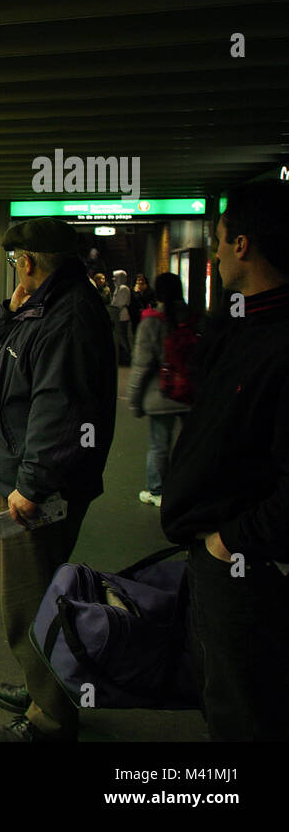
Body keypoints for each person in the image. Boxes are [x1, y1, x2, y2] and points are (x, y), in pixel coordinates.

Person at [0, 218, 117, 742]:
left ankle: (51, 715)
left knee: (30, 603)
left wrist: (31, 485)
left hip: (40, 493)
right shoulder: (49, 304)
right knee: (37, 596)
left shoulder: (68, 315)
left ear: (27, 262)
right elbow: (5, 355)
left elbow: (59, 409)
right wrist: (11, 311)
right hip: (32, 481)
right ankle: (43, 687)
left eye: (17, 264)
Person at [161, 181, 289, 741]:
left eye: (217, 243)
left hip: (245, 560)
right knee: (220, 689)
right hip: (218, 549)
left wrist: (231, 541)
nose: (211, 255)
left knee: (243, 707)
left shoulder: (279, 341)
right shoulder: (245, 323)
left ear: (243, 246)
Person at [127, 272, 191, 507]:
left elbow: (142, 364)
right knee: (190, 445)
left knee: (159, 446)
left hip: (161, 394)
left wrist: (135, 400)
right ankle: (187, 488)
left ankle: (157, 491)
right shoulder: (194, 317)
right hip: (191, 394)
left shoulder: (152, 321)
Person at [110, 269, 134, 364]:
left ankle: (127, 355)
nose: (114, 279)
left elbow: (119, 303)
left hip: (122, 316)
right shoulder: (119, 288)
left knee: (123, 337)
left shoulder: (123, 289)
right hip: (119, 315)